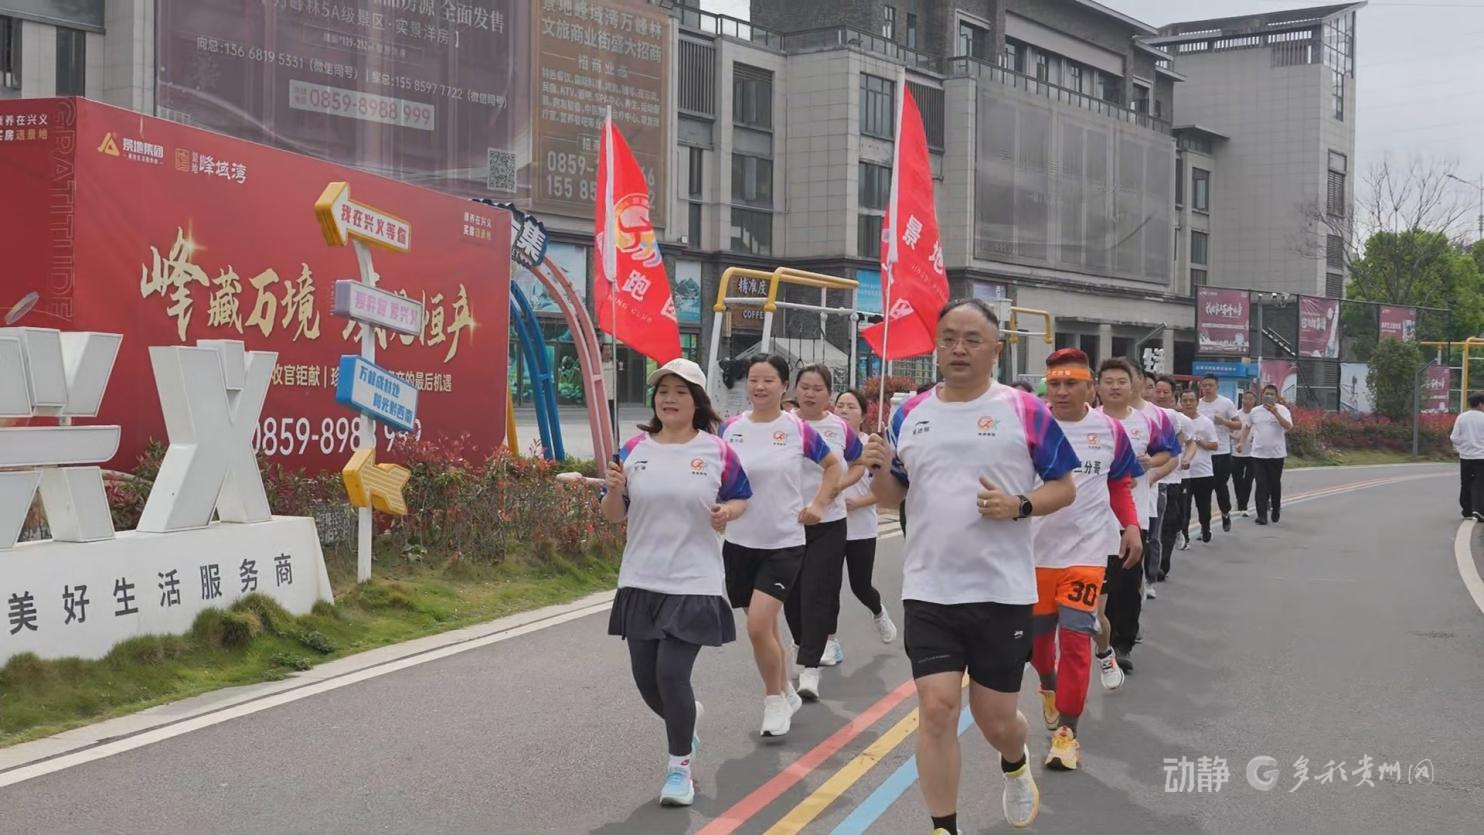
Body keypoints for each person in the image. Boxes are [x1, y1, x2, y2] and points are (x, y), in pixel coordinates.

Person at [861, 299, 1079, 833]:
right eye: (949, 339)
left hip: (1000, 590)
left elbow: (1064, 487)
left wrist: (1018, 505)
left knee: (996, 720)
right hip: (930, 587)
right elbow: (892, 496)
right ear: (936, 347)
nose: (959, 349)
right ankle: (944, 827)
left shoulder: (1024, 410)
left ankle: (1015, 761)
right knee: (936, 708)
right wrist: (877, 470)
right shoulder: (908, 413)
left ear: (995, 349)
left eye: (972, 339)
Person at [600, 358, 752, 807]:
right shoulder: (632, 449)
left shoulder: (717, 451)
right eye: (663, 391)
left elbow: (742, 498)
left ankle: (678, 768)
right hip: (641, 578)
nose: (669, 399)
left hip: (694, 580)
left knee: (671, 673)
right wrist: (613, 489)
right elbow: (614, 515)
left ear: (696, 401)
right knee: (648, 682)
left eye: (680, 392)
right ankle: (685, 722)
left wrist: (727, 513)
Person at [1031, 349, 1143, 772]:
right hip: (1034, 554)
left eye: (1071, 384)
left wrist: (1130, 525)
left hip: (1086, 554)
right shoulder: (1030, 426)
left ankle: (1067, 735)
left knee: (1077, 640)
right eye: (1054, 384)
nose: (1061, 391)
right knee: (1039, 647)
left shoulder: (1110, 430)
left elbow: (1119, 483)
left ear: (1089, 387)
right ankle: (1048, 685)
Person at [720, 355, 842, 737]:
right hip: (739, 542)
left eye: (768, 380)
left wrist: (819, 504)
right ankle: (786, 689)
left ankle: (773, 700)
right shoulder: (730, 429)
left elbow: (833, 466)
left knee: (758, 626)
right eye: (753, 380)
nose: (759, 387)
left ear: (784, 386)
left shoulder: (796, 429)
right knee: (766, 629)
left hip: (783, 543)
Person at [788, 365, 865, 700]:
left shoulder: (838, 428)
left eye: (817, 388)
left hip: (829, 523)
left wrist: (838, 487)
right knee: (792, 595)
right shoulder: (784, 425)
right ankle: (801, 644)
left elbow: (859, 463)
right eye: (804, 387)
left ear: (829, 394)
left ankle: (810, 668)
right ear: (794, 390)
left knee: (817, 592)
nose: (810, 393)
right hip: (789, 524)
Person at [1095, 360, 1176, 676]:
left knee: (1128, 583)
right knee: (1105, 584)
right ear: (1098, 386)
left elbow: (1168, 453)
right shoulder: (1090, 421)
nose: (1115, 387)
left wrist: (1148, 463)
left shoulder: (1149, 420)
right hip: (1095, 517)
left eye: (1121, 381)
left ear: (1134, 385)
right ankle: (1105, 635)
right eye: (1108, 381)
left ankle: (1123, 643)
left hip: (1133, 515)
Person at [831, 388, 898, 649]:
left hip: (861, 529)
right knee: (828, 587)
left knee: (861, 586)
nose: (844, 410)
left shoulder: (871, 445)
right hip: (830, 527)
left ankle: (879, 613)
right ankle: (828, 640)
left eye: (851, 407)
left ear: (862, 414)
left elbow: (884, 490)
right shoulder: (826, 442)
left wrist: (857, 503)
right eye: (840, 405)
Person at [1153, 378, 1195, 579]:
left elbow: (1190, 443)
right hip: (1149, 481)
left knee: (1169, 523)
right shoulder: (1141, 415)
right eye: (1158, 391)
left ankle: (1163, 563)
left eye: (1166, 392)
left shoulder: (1180, 420)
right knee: (1153, 526)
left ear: (1172, 397)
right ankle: (1151, 566)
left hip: (1172, 480)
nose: (1161, 396)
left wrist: (1186, 458)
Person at [1197, 375, 1242, 532]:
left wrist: (1224, 421)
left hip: (1221, 452)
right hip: (1202, 453)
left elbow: (1238, 424)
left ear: (1217, 386)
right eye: (1204, 385)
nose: (1207, 388)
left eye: (1210, 385)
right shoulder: (1198, 404)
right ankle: (1205, 526)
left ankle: (1225, 512)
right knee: (1204, 491)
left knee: (1220, 487)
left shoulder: (1226, 403)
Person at [1179, 389, 1220, 544]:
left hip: (1203, 472)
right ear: (1180, 402)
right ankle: (1184, 537)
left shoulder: (1206, 422)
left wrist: (1199, 442)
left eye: (1191, 400)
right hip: (1182, 472)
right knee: (1184, 508)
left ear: (1197, 402)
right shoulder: (1177, 421)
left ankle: (1205, 528)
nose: (1188, 403)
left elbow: (1215, 445)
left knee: (1203, 506)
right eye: (1185, 400)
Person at [1249, 384, 1293, 525]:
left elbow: (1288, 426)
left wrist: (1276, 413)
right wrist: (1241, 442)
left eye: (1272, 394)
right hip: (1258, 454)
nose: (1268, 396)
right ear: (1262, 395)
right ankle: (1261, 515)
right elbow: (1247, 427)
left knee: (1274, 484)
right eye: (1266, 394)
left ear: (1277, 397)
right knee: (1261, 484)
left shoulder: (1282, 410)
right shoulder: (1255, 411)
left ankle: (1276, 508)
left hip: (1276, 454)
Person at [1451, 392, 1484, 521]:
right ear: (1480, 404)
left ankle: (1467, 510)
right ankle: (1479, 510)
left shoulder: (1461, 417)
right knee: (1480, 483)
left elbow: (1454, 437)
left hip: (1465, 456)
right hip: (1481, 456)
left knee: (1465, 483)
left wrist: (1463, 445)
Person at [1231, 391, 1257, 516]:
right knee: (1237, 479)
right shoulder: (1236, 415)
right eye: (1246, 398)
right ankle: (1240, 501)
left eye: (1251, 399)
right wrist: (1235, 437)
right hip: (1237, 452)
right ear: (1242, 400)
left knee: (1248, 480)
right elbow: (1228, 431)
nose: (1248, 401)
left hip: (1253, 452)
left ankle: (1243, 505)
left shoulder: (1256, 415)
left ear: (1254, 401)